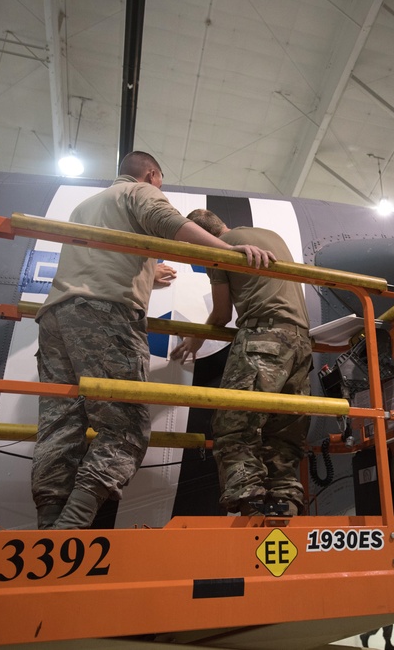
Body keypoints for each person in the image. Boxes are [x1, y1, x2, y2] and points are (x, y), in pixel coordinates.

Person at [32, 152, 275, 530]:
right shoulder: (139, 192)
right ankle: (70, 528)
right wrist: (229, 252)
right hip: (104, 314)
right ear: (151, 174)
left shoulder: (86, 206)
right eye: (160, 182)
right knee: (124, 428)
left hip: (56, 318)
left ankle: (47, 526)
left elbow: (104, 254)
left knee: (62, 424)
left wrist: (148, 271)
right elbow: (167, 221)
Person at [170, 209, 312, 516]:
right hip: (301, 344)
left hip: (264, 338)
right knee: (283, 431)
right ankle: (285, 501)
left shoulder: (220, 250)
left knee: (233, 422)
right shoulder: (269, 236)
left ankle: (249, 498)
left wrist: (195, 339)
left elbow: (221, 315)